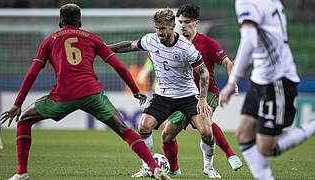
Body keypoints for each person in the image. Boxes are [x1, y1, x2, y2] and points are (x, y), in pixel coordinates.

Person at [0, 4, 171, 180]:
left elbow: (32, 73)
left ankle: (21, 173)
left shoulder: (49, 41)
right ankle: (154, 167)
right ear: (80, 21)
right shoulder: (92, 39)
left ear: (60, 22)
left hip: (63, 96)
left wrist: (17, 104)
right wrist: (135, 90)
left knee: (25, 120)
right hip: (92, 94)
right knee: (123, 128)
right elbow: (118, 66)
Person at [109, 8, 215, 178]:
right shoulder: (150, 40)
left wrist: (202, 100)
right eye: (157, 28)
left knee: (206, 131)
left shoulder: (186, 47)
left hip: (188, 96)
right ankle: (146, 166)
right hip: (163, 95)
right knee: (143, 125)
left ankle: (208, 167)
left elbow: (204, 73)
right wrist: (104, 49)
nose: (159, 32)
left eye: (163, 28)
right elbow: (130, 45)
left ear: (173, 26)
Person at [219, 0, 315, 179]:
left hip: (276, 78)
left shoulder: (246, 3)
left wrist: (232, 82)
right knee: (243, 135)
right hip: (260, 77)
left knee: (266, 147)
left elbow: (249, 42)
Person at [158, 4, 243, 178]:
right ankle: (174, 170)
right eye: (180, 22)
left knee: (205, 123)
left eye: (187, 22)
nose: (183, 26)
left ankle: (222, 159)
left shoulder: (208, 43)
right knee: (167, 134)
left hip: (208, 93)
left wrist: (232, 81)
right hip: (185, 96)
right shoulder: (175, 43)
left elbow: (227, 62)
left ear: (196, 23)